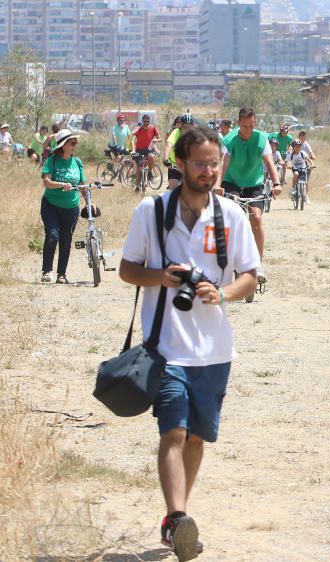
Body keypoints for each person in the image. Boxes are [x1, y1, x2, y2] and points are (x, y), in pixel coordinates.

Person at [118, 125, 259, 562]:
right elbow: (126, 269)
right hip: (165, 347)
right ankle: (178, 517)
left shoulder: (231, 215)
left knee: (197, 437)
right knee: (173, 430)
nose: (208, 171)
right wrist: (160, 277)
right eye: (199, 163)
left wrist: (223, 293)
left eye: (213, 163)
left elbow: (250, 278)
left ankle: (177, 517)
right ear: (180, 164)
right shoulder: (151, 211)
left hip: (215, 350)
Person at [220, 107, 282, 284]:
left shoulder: (261, 138)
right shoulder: (229, 139)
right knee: (234, 218)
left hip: (254, 184)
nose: (249, 130)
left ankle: (258, 264)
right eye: (246, 126)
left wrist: (276, 183)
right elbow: (224, 164)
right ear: (238, 123)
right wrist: (217, 185)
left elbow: (269, 162)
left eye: (252, 126)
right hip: (231, 183)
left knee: (256, 218)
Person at [39, 129, 86, 284]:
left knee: (66, 240)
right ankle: (47, 271)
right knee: (53, 236)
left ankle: (62, 274)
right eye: (72, 143)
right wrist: (61, 184)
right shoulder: (52, 161)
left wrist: (89, 202)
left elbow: (82, 185)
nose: (75, 145)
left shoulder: (77, 162)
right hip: (51, 205)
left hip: (71, 207)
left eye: (75, 143)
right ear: (63, 145)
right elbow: (46, 182)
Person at [165, 114, 198, 190]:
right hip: (174, 165)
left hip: (188, 166)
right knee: (174, 190)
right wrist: (166, 159)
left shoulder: (196, 134)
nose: (187, 129)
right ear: (181, 126)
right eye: (185, 127)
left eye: (190, 127)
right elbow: (168, 145)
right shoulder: (176, 132)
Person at [131, 114, 162, 182]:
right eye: (144, 122)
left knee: (151, 157)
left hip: (149, 149)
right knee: (139, 169)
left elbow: (160, 138)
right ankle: (138, 186)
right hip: (139, 150)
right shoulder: (139, 129)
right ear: (142, 121)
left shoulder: (153, 128)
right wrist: (133, 150)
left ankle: (149, 173)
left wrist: (156, 140)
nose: (146, 123)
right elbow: (133, 140)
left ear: (149, 121)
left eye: (148, 121)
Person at [286, 139, 313, 203]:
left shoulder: (302, 153)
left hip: (303, 168)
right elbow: (287, 161)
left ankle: (306, 196)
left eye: (299, 146)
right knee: (296, 174)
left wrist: (312, 164)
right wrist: (288, 165)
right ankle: (293, 188)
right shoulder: (291, 154)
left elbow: (308, 159)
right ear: (293, 147)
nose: (298, 148)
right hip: (295, 168)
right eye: (296, 147)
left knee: (305, 182)